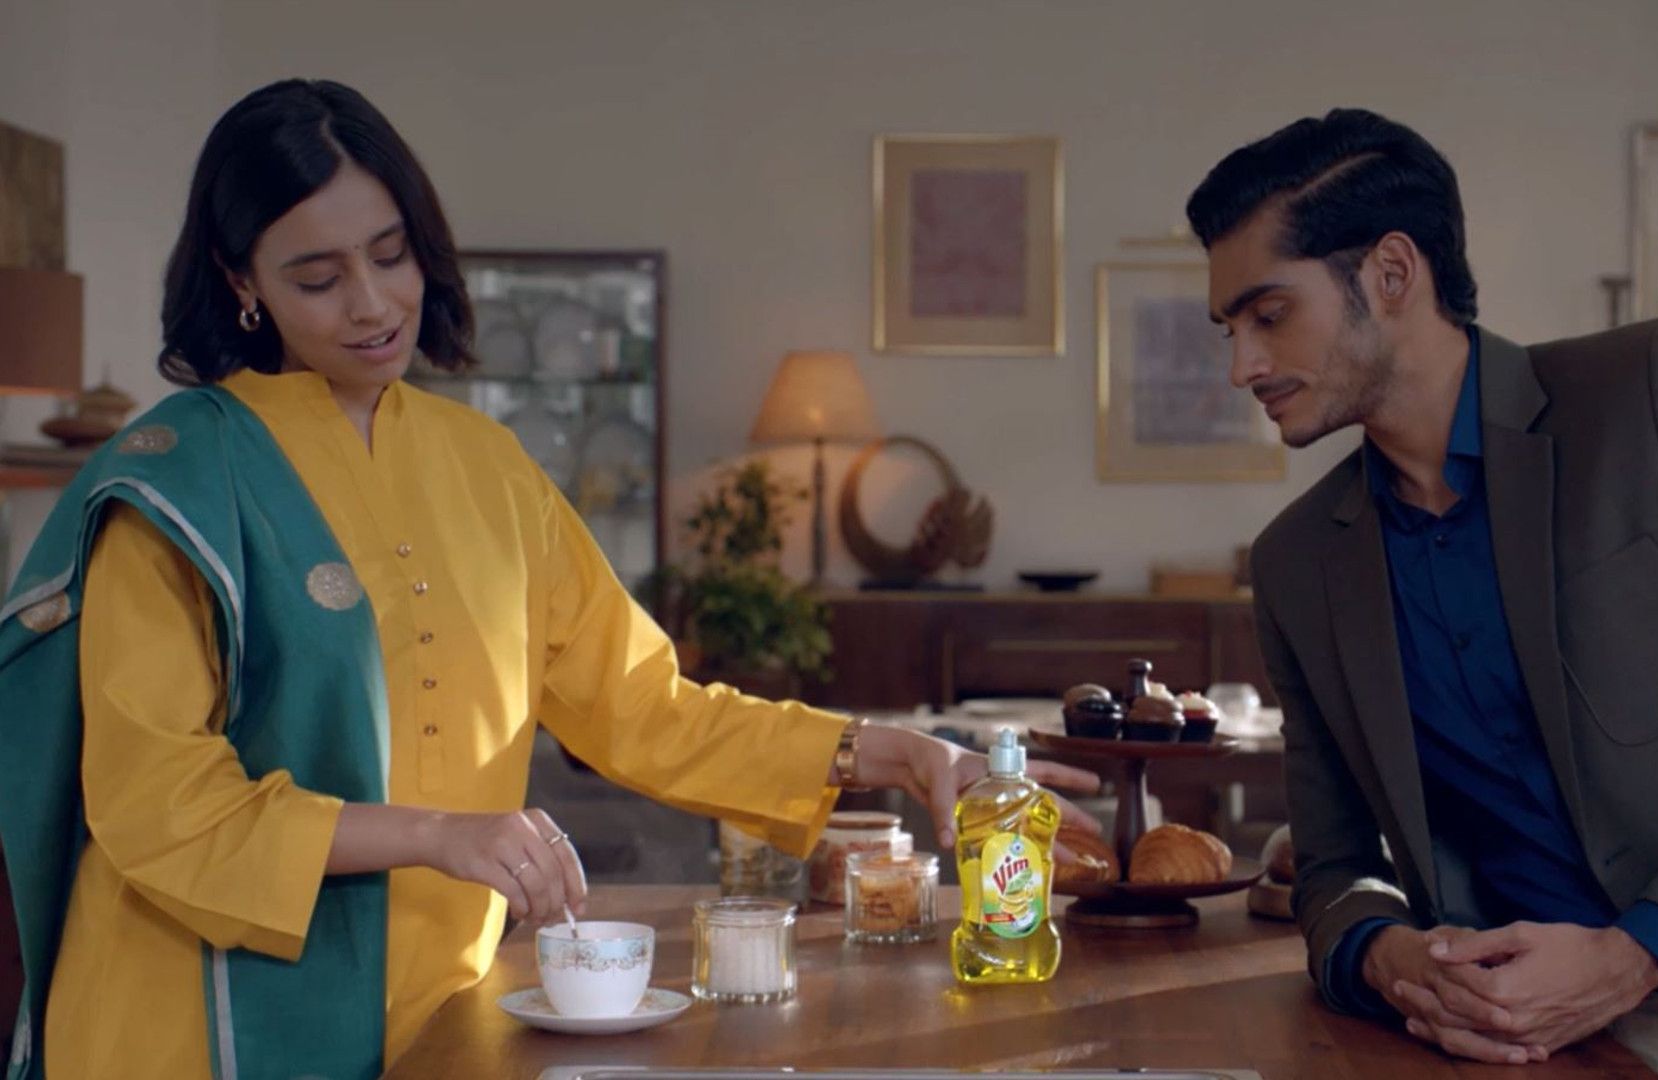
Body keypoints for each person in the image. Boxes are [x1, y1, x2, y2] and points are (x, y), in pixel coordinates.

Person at [0, 78, 1098, 1080]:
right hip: (193, 1027)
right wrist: (438, 832)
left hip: (436, 1018)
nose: (376, 304)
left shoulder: (485, 467)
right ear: (241, 281)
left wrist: (899, 754)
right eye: (318, 276)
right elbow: (158, 808)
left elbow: (645, 709)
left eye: (392, 253)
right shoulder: (177, 485)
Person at [1187, 108, 1658, 1080]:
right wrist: (1390, 957)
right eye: (1228, 328)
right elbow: (1333, 870)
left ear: (1393, 273)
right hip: (1527, 1052)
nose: (1242, 364)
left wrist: (1634, 957)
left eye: (1268, 315)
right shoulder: (1294, 566)